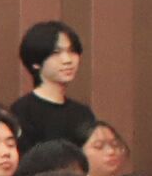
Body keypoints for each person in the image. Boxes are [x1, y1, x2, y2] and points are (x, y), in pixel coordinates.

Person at [7, 20, 95, 161]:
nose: (67, 60)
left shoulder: (82, 113)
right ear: (35, 63)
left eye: (72, 51)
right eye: (56, 53)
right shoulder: (22, 112)